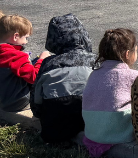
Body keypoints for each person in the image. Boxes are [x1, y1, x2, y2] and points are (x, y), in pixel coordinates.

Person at [31, 14, 94, 144]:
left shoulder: (48, 64)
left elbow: (35, 99)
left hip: (53, 130)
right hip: (88, 124)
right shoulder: (94, 60)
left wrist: (39, 114)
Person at [82, 28, 138, 157]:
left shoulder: (94, 73)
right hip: (119, 133)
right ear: (127, 54)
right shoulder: (132, 75)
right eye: (136, 50)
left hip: (93, 132)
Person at [0, 12, 51, 113]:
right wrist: (41, 60)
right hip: (18, 101)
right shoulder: (16, 56)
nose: (26, 42)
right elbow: (34, 77)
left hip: (3, 100)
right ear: (16, 36)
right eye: (26, 38)